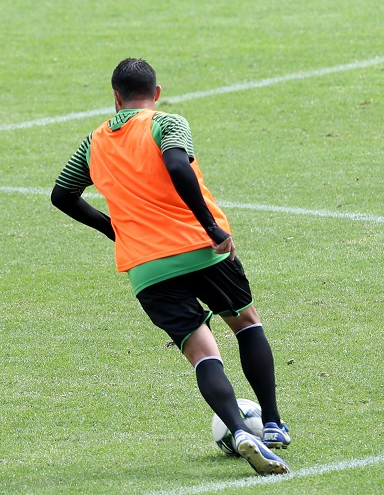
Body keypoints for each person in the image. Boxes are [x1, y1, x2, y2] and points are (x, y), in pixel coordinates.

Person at [50, 58, 292, 476]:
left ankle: (238, 431)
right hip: (199, 247)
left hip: (146, 266)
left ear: (115, 97)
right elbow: (178, 165)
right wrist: (212, 227)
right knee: (246, 323)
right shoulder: (167, 123)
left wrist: (114, 229)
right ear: (156, 93)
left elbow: (61, 194)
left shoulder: (94, 142)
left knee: (201, 353)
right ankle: (271, 424)